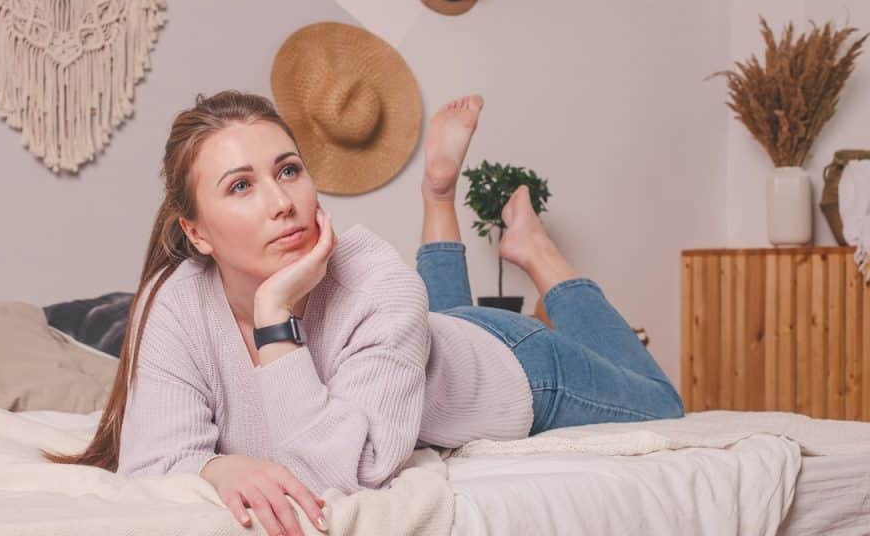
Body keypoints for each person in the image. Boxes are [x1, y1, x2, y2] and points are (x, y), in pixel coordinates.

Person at [44, 90, 684, 536]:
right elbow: (153, 463)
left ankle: (541, 256)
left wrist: (275, 316)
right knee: (441, 316)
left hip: (519, 366)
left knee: (666, 405)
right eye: (241, 186)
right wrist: (217, 465)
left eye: (288, 170)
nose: (282, 202)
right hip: (432, 341)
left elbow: (346, 473)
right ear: (197, 232)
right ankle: (439, 195)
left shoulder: (375, 278)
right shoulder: (175, 298)